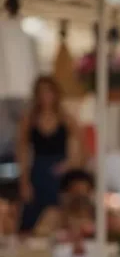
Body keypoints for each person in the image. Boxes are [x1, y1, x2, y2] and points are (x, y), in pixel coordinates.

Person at [17, 75, 83, 232]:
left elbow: (80, 148)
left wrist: (68, 164)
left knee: (58, 216)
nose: (45, 96)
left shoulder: (66, 119)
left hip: (59, 174)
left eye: (48, 92)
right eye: (41, 92)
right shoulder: (30, 119)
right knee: (30, 219)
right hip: (38, 170)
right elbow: (22, 151)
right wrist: (24, 181)